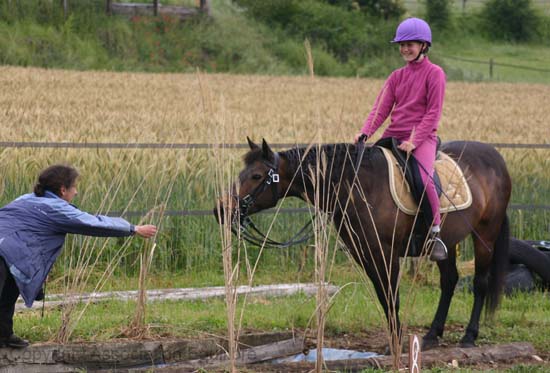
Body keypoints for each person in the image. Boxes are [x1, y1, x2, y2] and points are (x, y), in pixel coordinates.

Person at [0, 164, 157, 348]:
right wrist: (133, 228)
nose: (76, 191)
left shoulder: (24, 199)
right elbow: (93, 223)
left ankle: (4, 334)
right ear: (63, 189)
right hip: (6, 253)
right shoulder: (57, 209)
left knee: (9, 290)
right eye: (74, 186)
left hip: (8, 255)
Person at [354, 17, 447, 261]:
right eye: (402, 45)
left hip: (422, 138)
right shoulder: (396, 76)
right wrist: (365, 132)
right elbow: (380, 109)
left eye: (411, 44)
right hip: (394, 135)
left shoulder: (435, 74)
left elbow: (433, 113)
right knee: (367, 172)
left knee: (424, 180)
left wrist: (415, 141)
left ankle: (435, 234)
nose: (405, 49)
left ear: (424, 45)